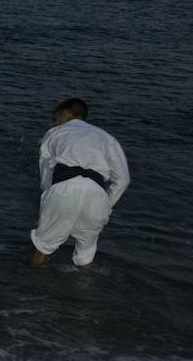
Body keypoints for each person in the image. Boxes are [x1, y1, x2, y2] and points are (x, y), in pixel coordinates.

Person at [29, 97, 130, 267]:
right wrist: (107, 204)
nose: (55, 123)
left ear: (66, 114)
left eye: (56, 118)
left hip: (64, 188)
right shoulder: (107, 138)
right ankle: (86, 290)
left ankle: (29, 286)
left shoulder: (55, 132)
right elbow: (123, 180)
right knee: (85, 256)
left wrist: (48, 196)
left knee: (43, 247)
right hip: (97, 195)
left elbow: (46, 170)